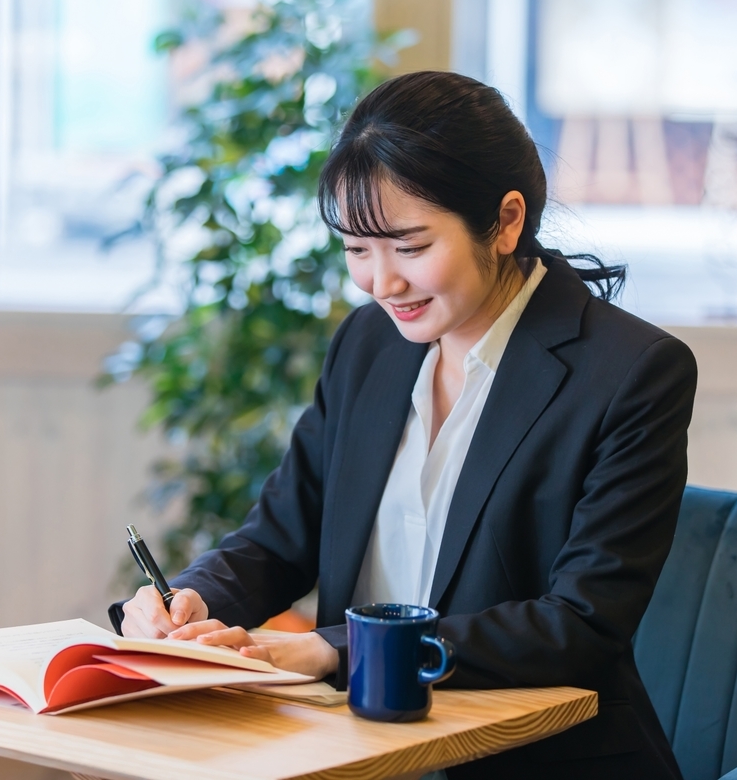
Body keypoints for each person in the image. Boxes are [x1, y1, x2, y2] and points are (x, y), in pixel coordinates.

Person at [112, 71, 696, 780]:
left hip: (532, 761)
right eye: (358, 249)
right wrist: (194, 601)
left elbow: (580, 624)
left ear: (507, 221)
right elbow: (279, 536)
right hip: (358, 752)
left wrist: (337, 650)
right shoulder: (369, 345)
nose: (381, 281)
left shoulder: (632, 372)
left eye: (410, 247)